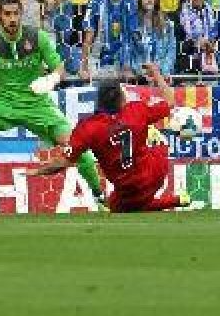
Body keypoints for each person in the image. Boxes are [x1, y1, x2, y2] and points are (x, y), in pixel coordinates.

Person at [0, 0, 105, 212]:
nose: (12, 19)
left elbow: (59, 68)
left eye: (16, 14)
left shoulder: (38, 37)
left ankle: (100, 197)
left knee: (75, 145)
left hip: (37, 104)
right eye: (7, 14)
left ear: (21, 14)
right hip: (2, 102)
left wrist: (50, 80)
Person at [34, 65, 191, 213]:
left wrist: (37, 171)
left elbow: (64, 162)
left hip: (126, 188)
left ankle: (173, 200)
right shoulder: (136, 110)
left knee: (117, 207)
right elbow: (170, 102)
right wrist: (156, 73)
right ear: (121, 98)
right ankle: (157, 140)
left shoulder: (88, 127)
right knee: (151, 136)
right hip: (156, 171)